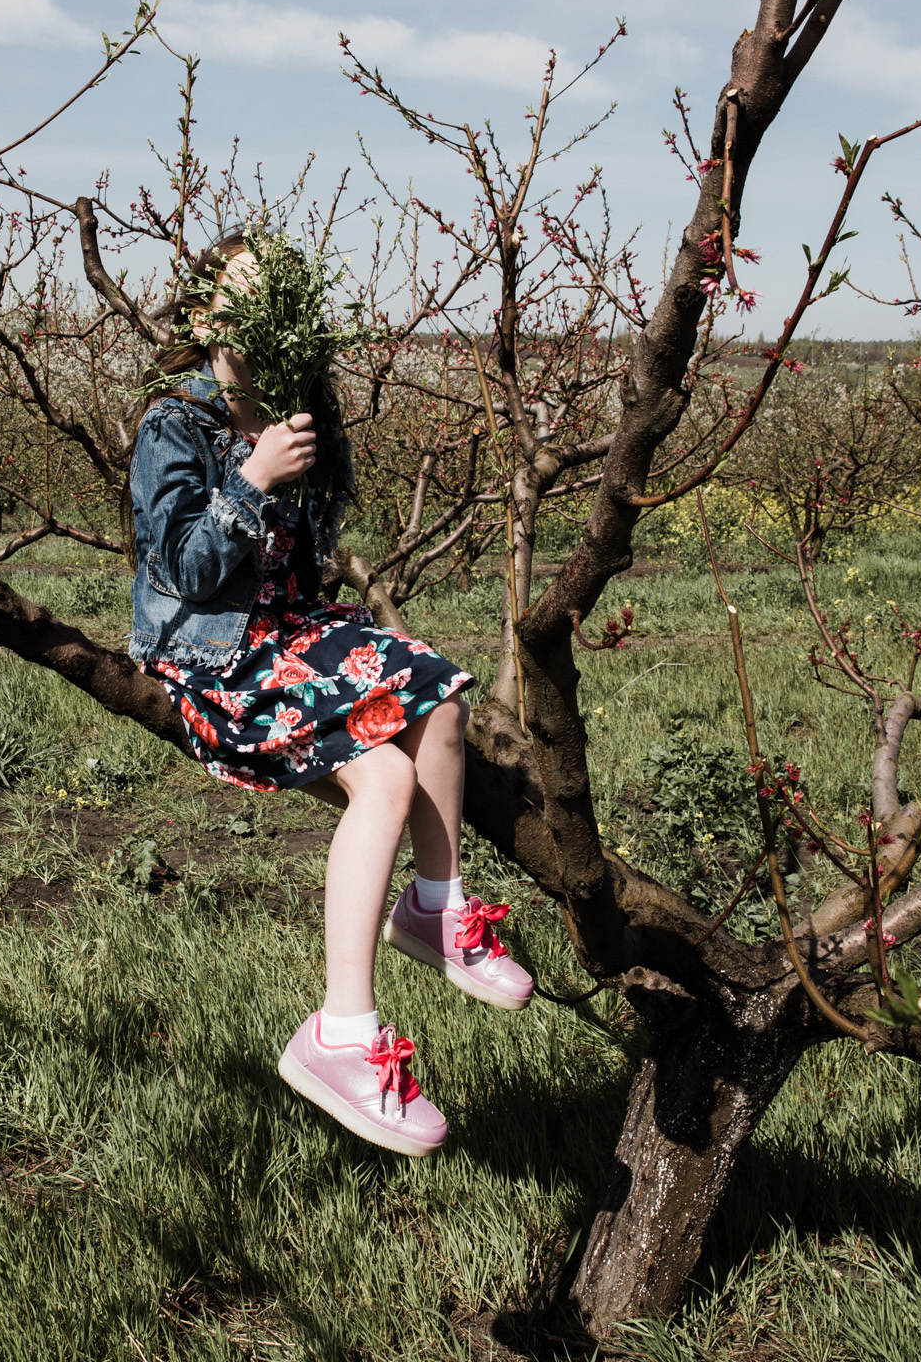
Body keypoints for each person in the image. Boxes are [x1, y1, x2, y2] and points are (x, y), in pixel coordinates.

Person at [127, 228, 533, 1157]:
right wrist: (253, 477)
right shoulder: (174, 424)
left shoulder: (296, 406)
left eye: (277, 301)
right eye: (238, 296)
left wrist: (312, 443)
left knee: (442, 692)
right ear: (203, 314)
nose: (257, 315)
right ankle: (340, 1035)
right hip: (211, 654)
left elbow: (309, 550)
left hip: (286, 631)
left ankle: (436, 906)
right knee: (384, 784)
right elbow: (186, 568)